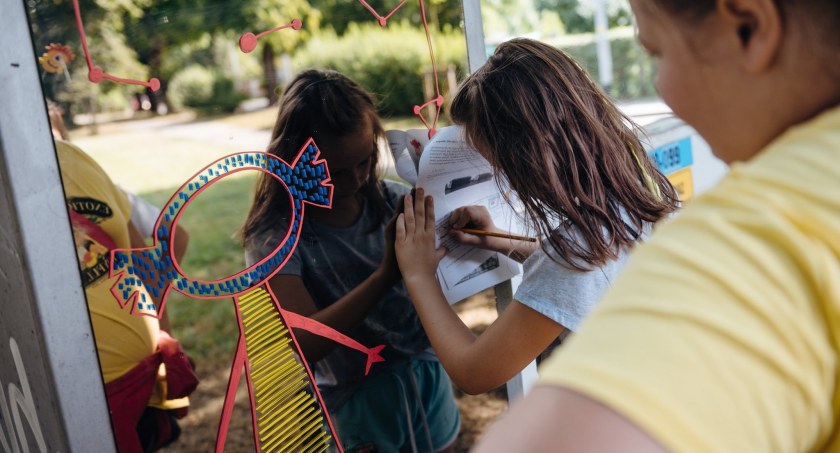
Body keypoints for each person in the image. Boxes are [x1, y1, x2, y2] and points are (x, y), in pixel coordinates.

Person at [470, 1, 840, 452]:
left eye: (657, 53)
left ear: (748, 26)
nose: (660, 87)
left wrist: (413, 270)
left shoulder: (763, 229)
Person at [393, 38, 679, 395]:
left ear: (529, 159)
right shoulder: (636, 193)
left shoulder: (572, 257)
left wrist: (420, 275)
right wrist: (500, 241)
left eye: (499, 167)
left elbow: (474, 372)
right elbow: (597, 275)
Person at [241, 69, 461, 453]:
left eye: (365, 160)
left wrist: (460, 237)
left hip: (426, 381)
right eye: (333, 172)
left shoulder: (394, 202)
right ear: (292, 161)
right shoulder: (275, 237)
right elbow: (304, 342)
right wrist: (385, 276)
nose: (356, 180)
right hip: (353, 405)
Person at [58, 139, 198, 453]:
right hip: (81, 404)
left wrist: (165, 340)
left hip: (143, 379)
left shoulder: (75, 158)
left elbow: (142, 262)